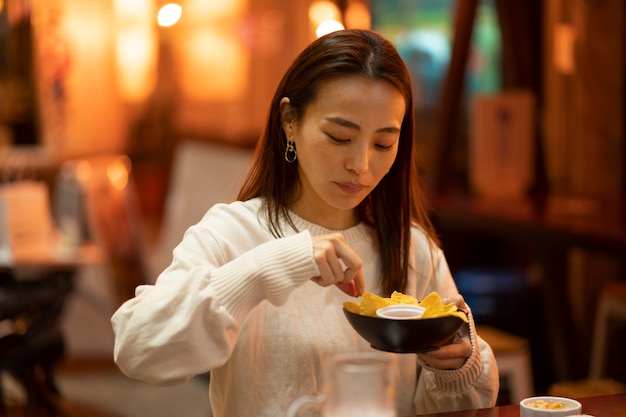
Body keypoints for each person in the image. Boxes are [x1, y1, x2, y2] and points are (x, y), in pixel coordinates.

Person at [112, 29, 499, 416]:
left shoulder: (410, 248)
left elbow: (460, 406)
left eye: (383, 144)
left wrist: (455, 369)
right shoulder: (232, 233)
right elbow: (138, 348)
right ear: (289, 122)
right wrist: (266, 268)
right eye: (339, 136)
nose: (361, 166)